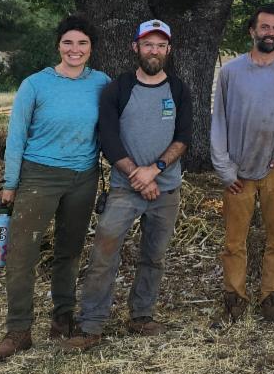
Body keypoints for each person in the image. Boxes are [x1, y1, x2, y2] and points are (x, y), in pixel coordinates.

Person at [0, 15, 111, 363]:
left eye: (82, 43)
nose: (75, 49)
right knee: (22, 253)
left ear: (91, 48)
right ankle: (18, 331)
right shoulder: (35, 85)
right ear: (58, 45)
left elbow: (110, 128)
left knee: (69, 251)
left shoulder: (101, 83)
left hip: (83, 177)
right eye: (68, 42)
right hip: (39, 176)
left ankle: (62, 318)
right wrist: (10, 184)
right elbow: (16, 137)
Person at [62, 19, 192, 351]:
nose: (154, 51)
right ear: (136, 47)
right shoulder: (117, 89)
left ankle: (141, 316)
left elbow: (183, 138)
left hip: (166, 190)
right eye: (148, 44)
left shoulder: (178, 90)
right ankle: (91, 325)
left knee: (154, 256)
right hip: (124, 189)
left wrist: (155, 170)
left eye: (160, 45)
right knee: (103, 255)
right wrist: (138, 175)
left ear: (168, 50)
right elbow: (108, 139)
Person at [211, 5, 274, 327]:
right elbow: (219, 121)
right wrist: (224, 168)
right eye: (265, 27)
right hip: (238, 170)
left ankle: (272, 301)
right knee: (234, 241)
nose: (270, 33)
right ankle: (234, 302)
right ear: (252, 31)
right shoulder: (231, 72)